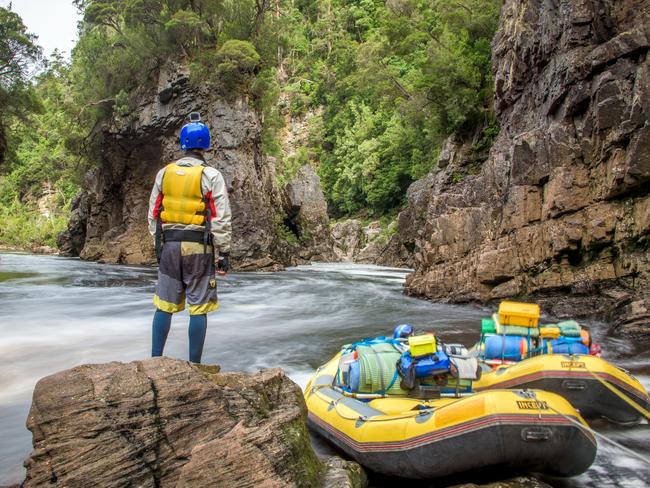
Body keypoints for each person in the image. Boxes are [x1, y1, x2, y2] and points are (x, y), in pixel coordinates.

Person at [147, 113, 232, 363]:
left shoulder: (164, 173)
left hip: (170, 246)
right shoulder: (212, 175)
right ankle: (194, 363)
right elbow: (221, 216)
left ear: (182, 144)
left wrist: (158, 244)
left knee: (164, 304)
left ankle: (155, 360)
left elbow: (153, 212)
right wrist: (223, 252)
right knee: (199, 306)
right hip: (198, 248)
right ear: (205, 145)